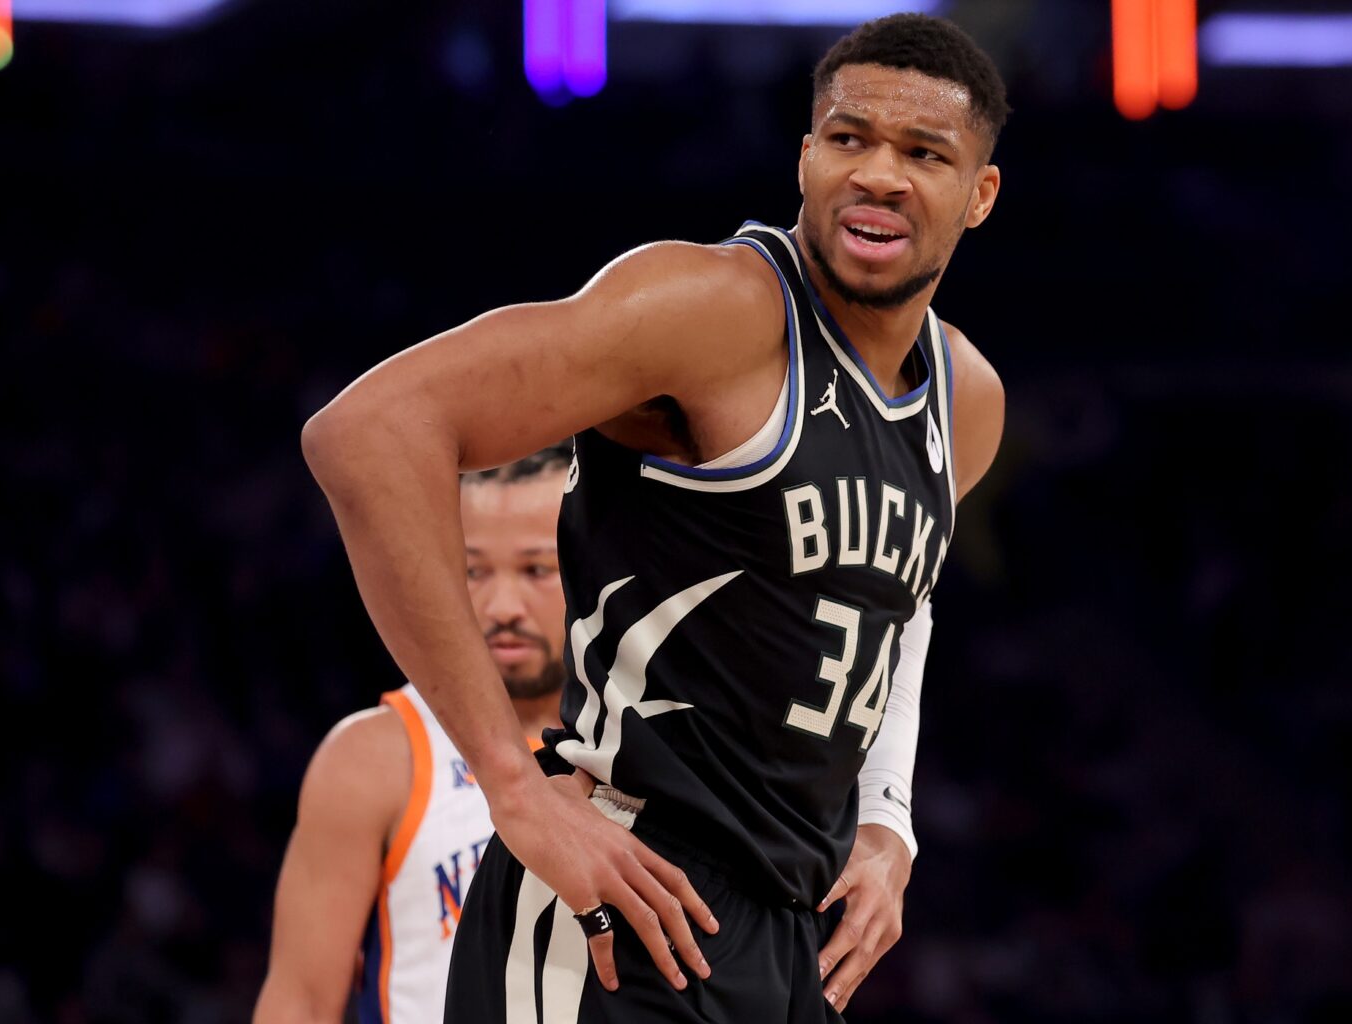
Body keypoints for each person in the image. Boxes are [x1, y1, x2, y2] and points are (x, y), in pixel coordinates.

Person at [300, 12, 1008, 1022]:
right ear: (806, 156)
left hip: (783, 927)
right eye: (849, 138)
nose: (879, 174)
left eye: (923, 153)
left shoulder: (964, 398)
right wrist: (510, 781)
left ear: (979, 194)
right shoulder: (714, 309)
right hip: (620, 900)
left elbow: (906, 600)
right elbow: (369, 431)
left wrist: (888, 816)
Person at [253, 449, 572, 1024]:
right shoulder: (376, 758)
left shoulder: (656, 740)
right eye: (473, 570)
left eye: (536, 569)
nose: (502, 607)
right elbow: (299, 1003)